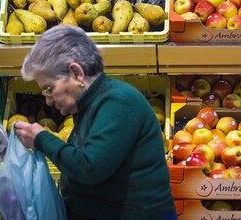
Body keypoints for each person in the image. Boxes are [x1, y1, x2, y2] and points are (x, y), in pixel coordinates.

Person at [14, 25, 177, 220]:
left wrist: (42, 139)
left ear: (76, 73)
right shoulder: (88, 107)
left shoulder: (118, 102)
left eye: (49, 88)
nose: (48, 100)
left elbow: (90, 167)